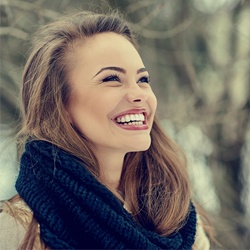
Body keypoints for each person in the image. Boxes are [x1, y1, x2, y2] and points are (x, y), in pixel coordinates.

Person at [0, 10, 211, 249]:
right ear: (60, 104)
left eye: (143, 79)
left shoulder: (179, 221)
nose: (139, 95)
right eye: (112, 79)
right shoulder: (17, 229)